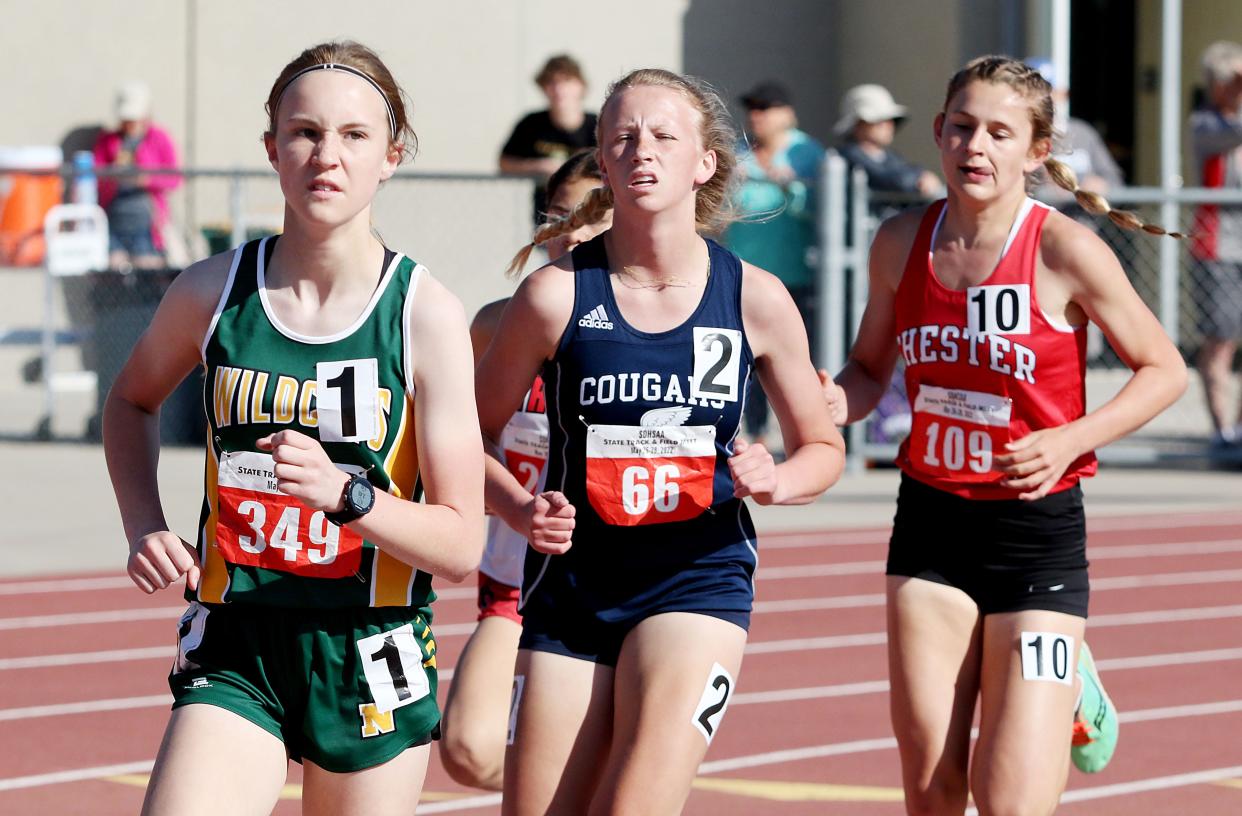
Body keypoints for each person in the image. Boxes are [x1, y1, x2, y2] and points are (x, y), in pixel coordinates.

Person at [102, 41, 483, 815]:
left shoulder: (423, 316)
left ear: (392, 157)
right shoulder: (212, 291)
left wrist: (351, 496)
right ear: (272, 148)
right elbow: (130, 401)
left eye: (353, 136)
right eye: (305, 132)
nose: (325, 156)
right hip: (239, 636)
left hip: (369, 645)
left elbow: (462, 546)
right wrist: (144, 525)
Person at [475, 68, 845, 815]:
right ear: (602, 164)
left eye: (664, 136)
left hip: (697, 577)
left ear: (704, 161)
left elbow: (823, 448)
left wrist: (778, 479)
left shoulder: (753, 298)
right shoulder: (554, 296)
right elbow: (467, 438)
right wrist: (517, 508)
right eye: (622, 137)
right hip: (574, 587)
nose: (642, 150)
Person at [824, 55, 1186, 814]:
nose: (975, 147)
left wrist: (1071, 437)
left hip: (1038, 538)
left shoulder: (1064, 250)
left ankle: (1064, 688)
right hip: (931, 526)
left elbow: (1164, 370)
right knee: (932, 792)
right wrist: (823, 402)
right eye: (961, 128)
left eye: (998, 132)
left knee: (1010, 799)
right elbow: (866, 369)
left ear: (1036, 150)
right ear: (938, 133)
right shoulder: (901, 243)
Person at [439, 150, 612, 791]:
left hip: (612, 583)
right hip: (514, 579)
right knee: (469, 748)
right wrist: (511, 504)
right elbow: (455, 438)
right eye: (559, 213)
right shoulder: (497, 325)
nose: (571, 230)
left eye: (593, 214)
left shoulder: (648, 327)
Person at [722, 80, 824, 446]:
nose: (756, 115)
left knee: (790, 359)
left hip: (794, 274)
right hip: (743, 274)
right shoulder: (737, 151)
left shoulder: (808, 152)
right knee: (742, 358)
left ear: (787, 113)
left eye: (765, 107)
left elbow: (824, 211)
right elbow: (719, 210)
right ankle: (756, 434)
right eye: (752, 108)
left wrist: (791, 187)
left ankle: (803, 437)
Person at [1189, 40, 1242, 449]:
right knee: (1221, 339)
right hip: (1217, 249)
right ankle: (1222, 430)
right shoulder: (1205, 124)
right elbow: (1230, 134)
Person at [92, 80, 183, 269]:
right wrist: (113, 175)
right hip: (115, 222)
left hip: (147, 225)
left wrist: (146, 180)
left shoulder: (158, 138)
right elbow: (95, 175)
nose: (130, 123)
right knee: (115, 268)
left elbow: (175, 178)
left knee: (147, 268)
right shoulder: (108, 141)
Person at [499, 55, 599, 224]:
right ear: (543, 87)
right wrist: (539, 166)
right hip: (548, 212)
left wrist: (577, 167)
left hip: (591, 210)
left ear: (581, 86)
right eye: (552, 82)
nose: (559, 89)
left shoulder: (597, 125)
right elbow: (505, 162)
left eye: (566, 81)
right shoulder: (531, 124)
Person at [1024, 58, 1125, 218]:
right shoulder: (1021, 136)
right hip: (1040, 229)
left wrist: (1100, 185)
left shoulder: (1083, 133)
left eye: (1050, 92)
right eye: (1036, 94)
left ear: (1063, 94)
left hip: (1084, 227)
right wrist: (1044, 187)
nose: (1045, 100)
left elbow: (1114, 179)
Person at [835, 83, 943, 211]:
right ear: (858, 124)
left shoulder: (889, 156)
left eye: (891, 120)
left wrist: (923, 176)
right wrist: (920, 177)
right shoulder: (848, 156)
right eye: (880, 120)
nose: (889, 125)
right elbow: (897, 182)